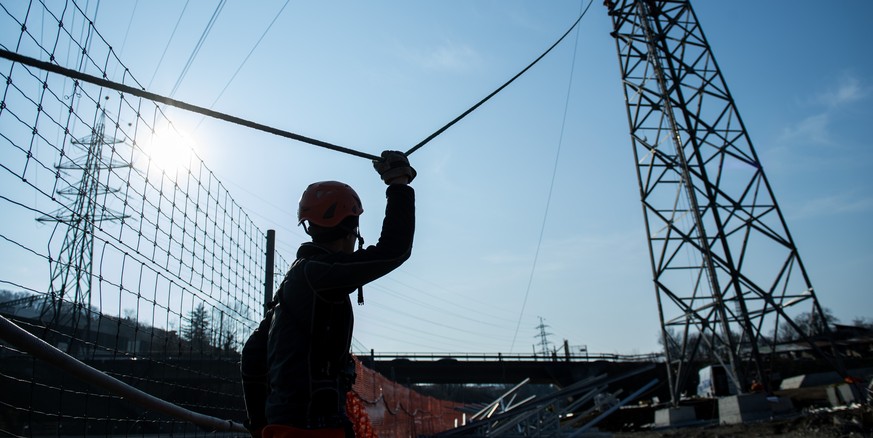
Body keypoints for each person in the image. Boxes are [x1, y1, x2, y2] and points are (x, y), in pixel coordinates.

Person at [260, 151, 416, 438]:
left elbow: (251, 355)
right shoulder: (322, 275)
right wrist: (398, 184)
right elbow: (394, 250)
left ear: (309, 225)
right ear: (352, 228)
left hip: (281, 425)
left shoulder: (295, 281)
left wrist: (259, 427)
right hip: (316, 426)